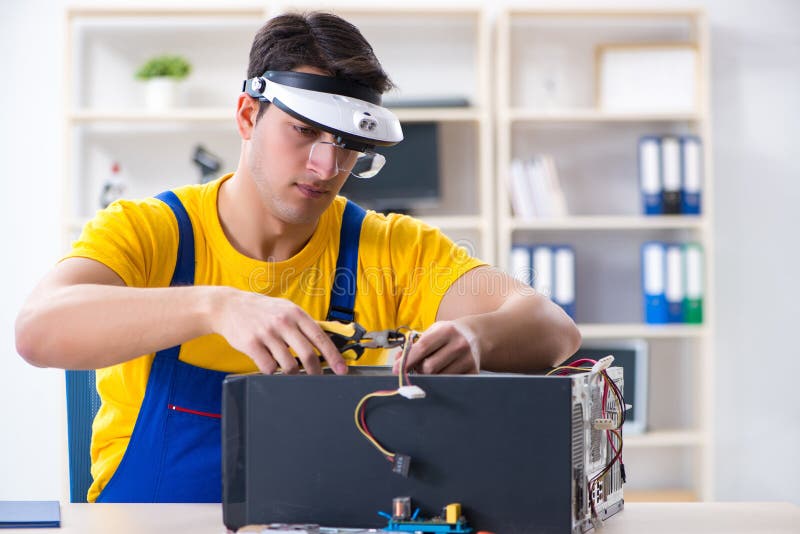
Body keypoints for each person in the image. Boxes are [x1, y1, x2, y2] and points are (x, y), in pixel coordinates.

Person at [15, 12, 581, 503]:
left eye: (348, 146)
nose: (326, 168)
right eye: (304, 131)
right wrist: (215, 307)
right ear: (247, 116)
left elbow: (554, 329)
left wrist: (478, 339)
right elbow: (38, 331)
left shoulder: (391, 248)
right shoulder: (151, 231)